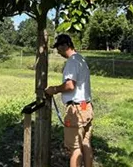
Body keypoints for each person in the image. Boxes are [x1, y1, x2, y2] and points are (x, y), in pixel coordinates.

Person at [45, 34, 93, 167]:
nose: (59, 52)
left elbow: (70, 85)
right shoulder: (80, 59)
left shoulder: (72, 61)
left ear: (65, 45)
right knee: (86, 144)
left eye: (59, 48)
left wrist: (53, 89)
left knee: (75, 148)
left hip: (75, 110)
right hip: (86, 106)